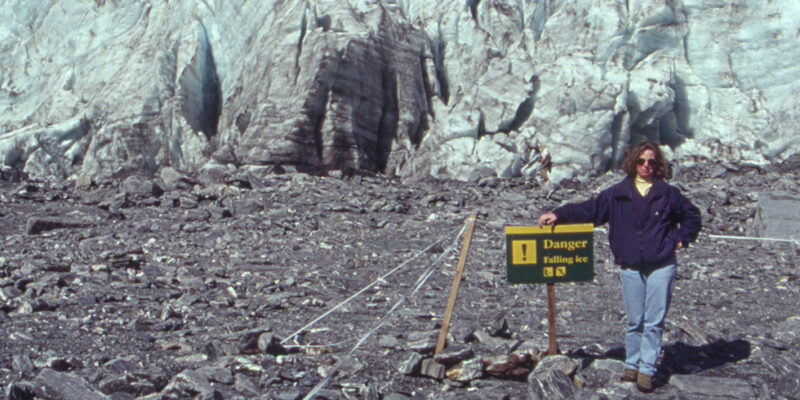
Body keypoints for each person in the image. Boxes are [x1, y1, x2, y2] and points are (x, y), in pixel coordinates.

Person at [537, 141, 701, 392]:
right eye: (641, 161)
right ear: (633, 162)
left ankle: (647, 370)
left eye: (652, 162)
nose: (646, 166)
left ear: (658, 166)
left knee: (654, 320)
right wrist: (559, 214)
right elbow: (590, 209)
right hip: (630, 264)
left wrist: (681, 239)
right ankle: (631, 365)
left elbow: (692, 216)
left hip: (662, 263)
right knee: (635, 319)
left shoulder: (668, 194)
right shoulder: (617, 194)